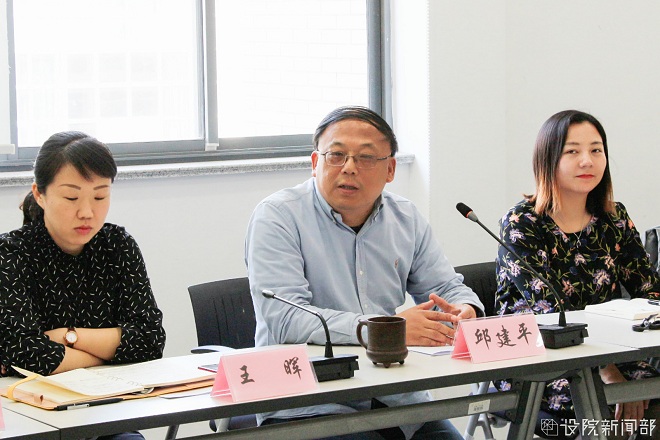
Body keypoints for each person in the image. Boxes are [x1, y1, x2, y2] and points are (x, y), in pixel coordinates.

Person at [245, 106, 484, 440]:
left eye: (366, 158)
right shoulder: (278, 217)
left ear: (390, 170)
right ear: (315, 163)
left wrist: (464, 310)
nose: (349, 167)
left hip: (397, 398)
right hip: (310, 402)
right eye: (336, 155)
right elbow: (287, 320)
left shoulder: (406, 218)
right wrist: (386, 331)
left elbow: (446, 287)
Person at [495, 110, 660, 440]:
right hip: (540, 360)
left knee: (646, 406)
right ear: (548, 159)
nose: (587, 161)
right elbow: (552, 315)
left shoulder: (614, 217)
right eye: (572, 151)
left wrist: (627, 364)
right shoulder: (521, 223)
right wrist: (609, 373)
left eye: (596, 150)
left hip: (610, 349)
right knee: (603, 411)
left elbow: (649, 291)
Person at [0, 131, 166, 440]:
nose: (87, 212)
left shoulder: (118, 246)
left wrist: (68, 336)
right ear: (40, 194)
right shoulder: (11, 253)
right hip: (35, 418)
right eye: (71, 198)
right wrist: (109, 355)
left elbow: (150, 341)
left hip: (106, 415)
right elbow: (26, 353)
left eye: (100, 197)